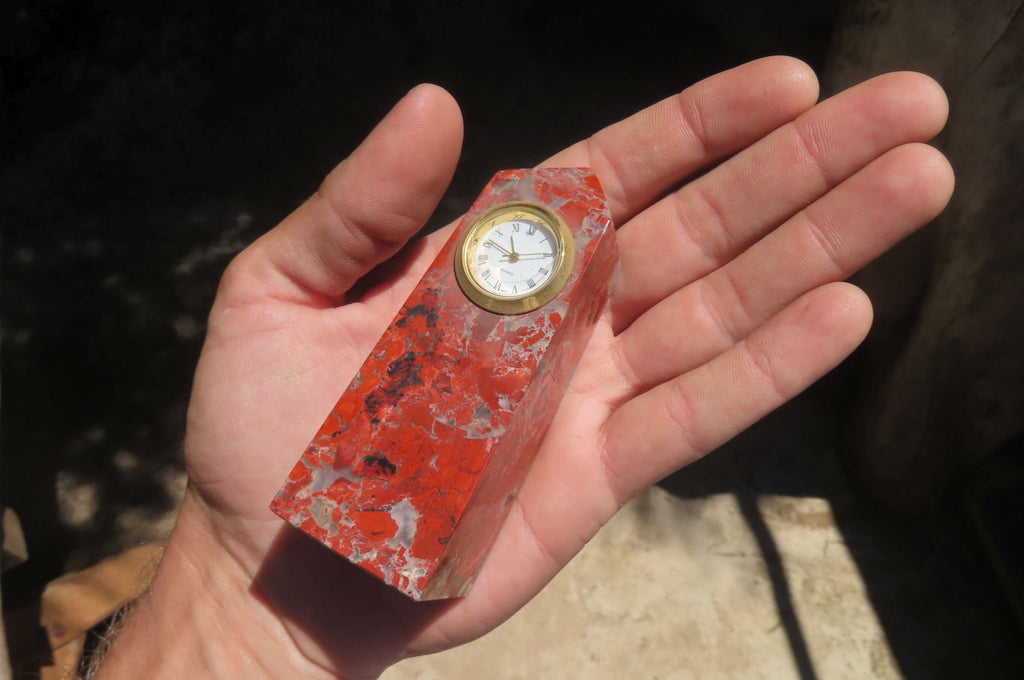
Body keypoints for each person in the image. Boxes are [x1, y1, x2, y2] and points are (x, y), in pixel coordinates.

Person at [92, 57, 952, 679]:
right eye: (503, 247)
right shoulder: (498, 238)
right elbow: (497, 260)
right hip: (355, 474)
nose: (502, 254)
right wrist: (234, 615)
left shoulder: (565, 253)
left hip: (453, 458)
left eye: (512, 250)